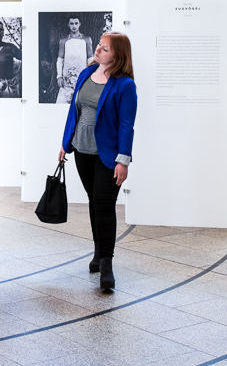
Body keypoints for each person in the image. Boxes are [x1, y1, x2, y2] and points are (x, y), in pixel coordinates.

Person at [58, 32, 137, 291]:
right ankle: (97, 250)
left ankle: (106, 264)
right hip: (82, 149)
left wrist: (123, 160)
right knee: (94, 201)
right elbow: (74, 111)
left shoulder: (124, 85)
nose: (98, 50)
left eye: (104, 48)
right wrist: (64, 143)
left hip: (108, 155)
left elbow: (127, 125)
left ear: (118, 55)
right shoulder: (86, 74)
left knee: (104, 205)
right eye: (100, 46)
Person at [56, 16, 93, 104]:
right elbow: (60, 59)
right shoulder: (63, 40)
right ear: (68, 25)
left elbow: (90, 59)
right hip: (67, 76)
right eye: (71, 23)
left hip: (82, 74)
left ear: (79, 24)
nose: (74, 26)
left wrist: (90, 75)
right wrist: (59, 76)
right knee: (64, 101)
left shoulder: (86, 39)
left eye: (76, 23)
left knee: (81, 101)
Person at [0, 19, 22, 98]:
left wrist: (19, 75)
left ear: (3, 32)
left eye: (1, 29)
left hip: (8, 88)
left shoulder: (10, 47)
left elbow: (26, 58)